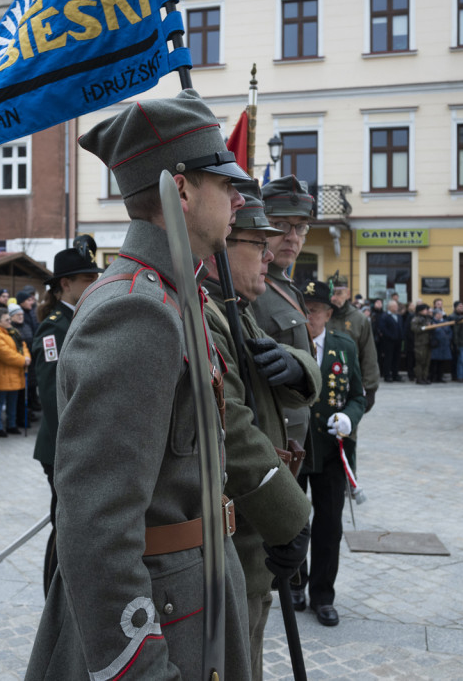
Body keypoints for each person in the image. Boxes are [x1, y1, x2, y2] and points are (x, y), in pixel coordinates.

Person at [25, 90, 253, 681]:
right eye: (222, 183)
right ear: (179, 191)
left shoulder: (177, 296)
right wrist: (140, 667)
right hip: (165, 615)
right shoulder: (140, 310)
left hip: (195, 586)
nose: (238, 196)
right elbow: (97, 525)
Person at [203, 181, 315, 679]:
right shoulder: (209, 313)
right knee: (239, 659)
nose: (269, 253)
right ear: (220, 248)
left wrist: (295, 367)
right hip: (242, 526)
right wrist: (288, 515)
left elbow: (290, 368)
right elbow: (232, 428)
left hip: (252, 532)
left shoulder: (237, 310)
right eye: (256, 242)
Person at [31, 244, 102, 594]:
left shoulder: (82, 318)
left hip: (81, 445)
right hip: (63, 447)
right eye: (87, 279)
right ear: (65, 284)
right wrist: (76, 447)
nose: (94, 284)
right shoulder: (54, 328)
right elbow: (52, 395)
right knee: (66, 526)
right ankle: (55, 597)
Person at [300, 280, 367, 627]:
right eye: (304, 307)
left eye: (314, 309)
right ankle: (296, 583)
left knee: (329, 526)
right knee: (293, 521)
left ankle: (322, 595)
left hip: (330, 452)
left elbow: (358, 396)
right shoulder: (288, 342)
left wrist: (349, 417)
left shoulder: (344, 346)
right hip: (294, 449)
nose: (308, 315)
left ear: (328, 313)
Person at [250, 174, 317, 501]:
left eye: (300, 226)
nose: (292, 236)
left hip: (294, 443)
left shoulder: (286, 286)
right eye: (280, 224)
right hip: (269, 446)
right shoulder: (250, 287)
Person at [327, 271, 380, 411]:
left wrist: (370, 389)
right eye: (331, 293)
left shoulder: (359, 319)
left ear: (348, 294)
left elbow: (369, 354)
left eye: (339, 293)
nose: (333, 298)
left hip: (350, 383)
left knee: (346, 429)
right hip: (323, 384)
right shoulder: (320, 316)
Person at [0, 307, 30, 437]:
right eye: (6, 320)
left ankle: (12, 424)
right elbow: (5, 354)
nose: (9, 322)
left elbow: (23, 346)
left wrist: (27, 357)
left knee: (13, 402)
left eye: (9, 319)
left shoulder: (12, 331)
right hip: (2, 374)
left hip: (15, 373)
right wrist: (23, 360)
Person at [377, 299, 404, 381]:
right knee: (388, 358)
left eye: (396, 306)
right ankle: (387, 375)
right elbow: (383, 328)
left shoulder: (399, 316)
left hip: (398, 341)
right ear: (389, 307)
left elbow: (400, 327)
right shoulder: (385, 316)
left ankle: (395, 374)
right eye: (394, 306)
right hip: (388, 341)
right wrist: (390, 336)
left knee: (397, 358)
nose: (396, 308)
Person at [429, 308, 454, 383]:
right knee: (434, 362)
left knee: (442, 362)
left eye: (441, 313)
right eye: (438, 314)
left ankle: (440, 377)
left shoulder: (446, 322)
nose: (440, 315)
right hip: (436, 345)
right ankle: (433, 377)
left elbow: (450, 332)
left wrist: (448, 338)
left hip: (444, 345)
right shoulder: (432, 322)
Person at [410, 303, 433, 385]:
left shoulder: (427, 319)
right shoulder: (416, 319)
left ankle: (425, 377)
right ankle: (419, 378)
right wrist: (425, 328)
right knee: (420, 361)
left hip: (428, 343)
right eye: (425, 310)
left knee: (427, 362)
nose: (426, 311)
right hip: (420, 344)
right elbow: (414, 329)